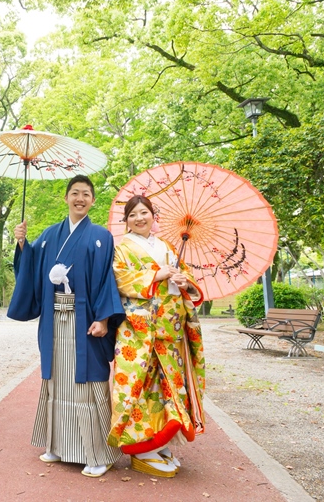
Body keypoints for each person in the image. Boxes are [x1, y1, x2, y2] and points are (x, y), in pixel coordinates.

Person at [7, 175, 125, 478]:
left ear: (93, 200)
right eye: (74, 193)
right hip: (54, 320)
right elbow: (31, 267)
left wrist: (103, 318)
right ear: (66, 198)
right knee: (57, 379)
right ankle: (58, 445)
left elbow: (106, 280)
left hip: (86, 322)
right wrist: (22, 244)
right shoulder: (49, 235)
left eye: (86, 194)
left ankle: (99, 454)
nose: (80, 198)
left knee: (87, 381)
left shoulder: (101, 236)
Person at [107, 194, 206, 478]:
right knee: (140, 385)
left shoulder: (168, 246)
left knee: (169, 387)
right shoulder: (121, 249)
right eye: (133, 215)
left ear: (153, 216)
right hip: (138, 332)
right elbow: (120, 279)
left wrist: (184, 281)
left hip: (170, 329)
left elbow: (187, 281)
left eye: (144, 213)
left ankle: (159, 443)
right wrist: (155, 275)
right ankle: (140, 448)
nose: (139, 218)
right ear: (126, 221)